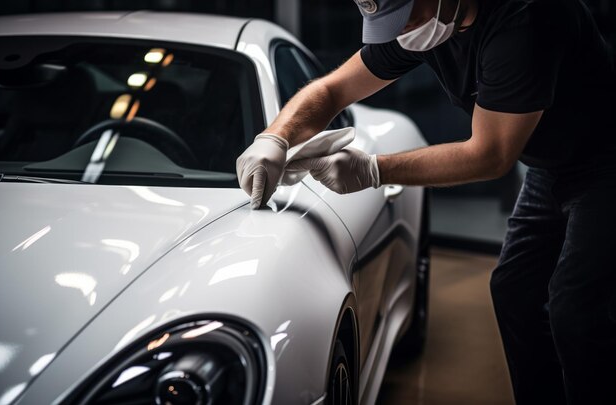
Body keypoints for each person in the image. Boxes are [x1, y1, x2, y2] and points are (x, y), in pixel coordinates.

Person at [236, 0, 616, 402]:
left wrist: (371, 170)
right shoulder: (425, 23)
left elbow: (490, 155)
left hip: (605, 162)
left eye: (408, 17)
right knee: (515, 292)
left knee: (577, 312)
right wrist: (274, 138)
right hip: (551, 163)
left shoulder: (525, 19)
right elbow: (332, 90)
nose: (404, 31)